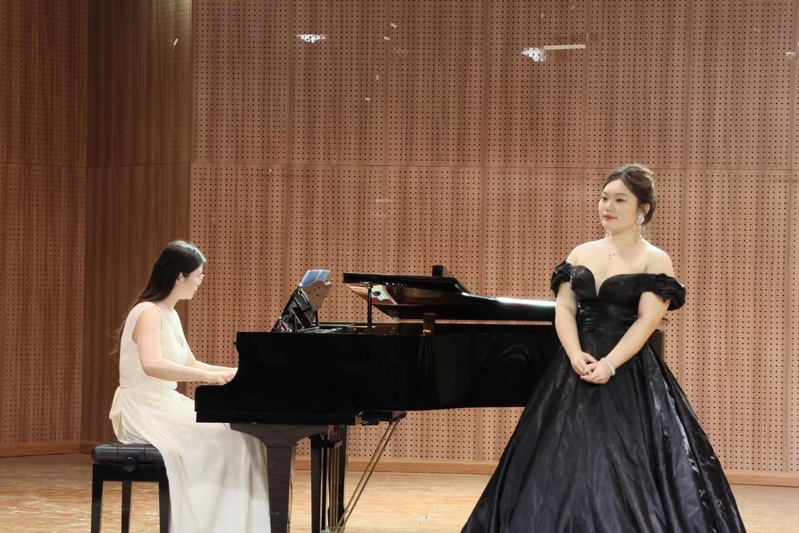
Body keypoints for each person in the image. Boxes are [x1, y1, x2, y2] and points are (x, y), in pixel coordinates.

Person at [462, 165, 745, 532]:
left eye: (619, 200)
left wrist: (609, 364)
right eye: (604, 198)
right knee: (558, 459)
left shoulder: (654, 259)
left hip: (627, 369)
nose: (607, 206)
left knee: (626, 460)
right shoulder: (581, 253)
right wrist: (574, 353)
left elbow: (646, 322)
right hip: (575, 365)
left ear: (642, 209)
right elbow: (565, 309)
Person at [108, 240, 271, 532]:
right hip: (142, 408)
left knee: (246, 437)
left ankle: (235, 524)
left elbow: (190, 362)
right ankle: (208, 523)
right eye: (197, 275)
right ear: (178, 277)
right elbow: (151, 364)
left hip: (163, 403)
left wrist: (235, 371)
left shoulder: (169, 313)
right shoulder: (147, 312)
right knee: (229, 438)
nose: (200, 280)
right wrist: (207, 378)